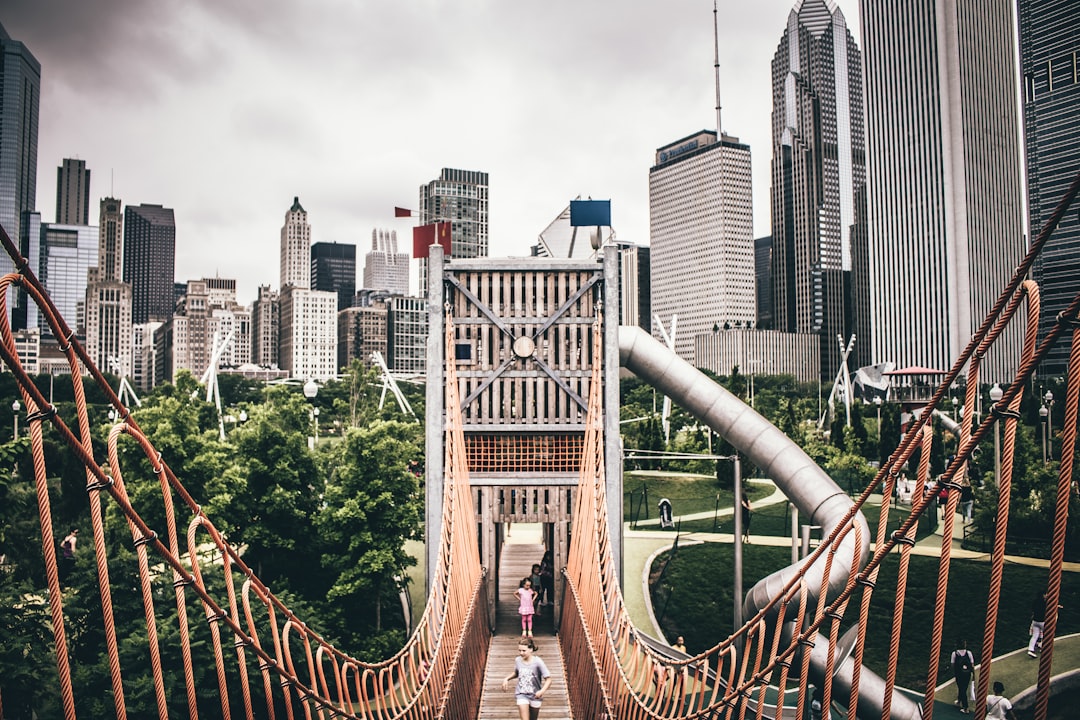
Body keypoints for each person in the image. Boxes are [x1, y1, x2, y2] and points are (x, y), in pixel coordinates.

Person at [502, 638, 552, 720]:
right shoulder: (518, 660)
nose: (521, 653)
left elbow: (549, 679)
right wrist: (506, 679)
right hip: (522, 693)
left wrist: (542, 691)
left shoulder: (538, 662)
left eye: (524, 650)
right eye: (519, 650)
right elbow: (516, 673)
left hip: (535, 695)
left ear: (531, 649)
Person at [950, 639, 975, 713]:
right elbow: (972, 665)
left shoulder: (954, 654)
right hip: (967, 674)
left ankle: (965, 707)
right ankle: (959, 701)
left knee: (962, 689)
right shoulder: (969, 653)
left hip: (959, 674)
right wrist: (973, 674)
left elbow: (952, 665)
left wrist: (954, 673)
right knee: (963, 688)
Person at [1029, 590, 1047, 657]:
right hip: (1042, 621)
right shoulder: (1044, 603)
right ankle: (1042, 646)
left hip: (1035, 621)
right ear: (1043, 595)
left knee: (1035, 636)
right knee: (1047, 634)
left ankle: (1030, 649)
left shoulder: (1035, 602)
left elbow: (1033, 610)